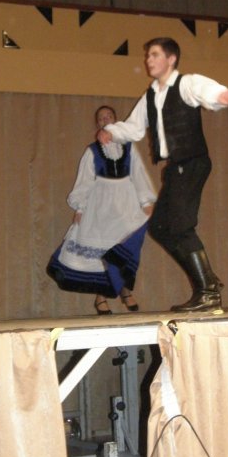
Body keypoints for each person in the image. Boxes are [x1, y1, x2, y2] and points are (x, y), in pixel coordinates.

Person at [97, 37, 228, 312]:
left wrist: (219, 95)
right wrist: (111, 132)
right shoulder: (150, 95)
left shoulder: (185, 83)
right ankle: (207, 279)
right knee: (159, 227)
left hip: (193, 162)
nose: (148, 60)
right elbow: (134, 128)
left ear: (171, 59)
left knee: (182, 226)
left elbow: (203, 89)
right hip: (175, 167)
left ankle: (208, 292)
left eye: (155, 55)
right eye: (148, 55)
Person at [47, 105, 156, 314]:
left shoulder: (129, 148)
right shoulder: (92, 151)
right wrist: (80, 208)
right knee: (103, 253)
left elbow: (139, 174)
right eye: (101, 118)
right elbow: (85, 181)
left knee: (122, 251)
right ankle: (102, 297)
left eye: (109, 116)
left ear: (116, 120)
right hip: (101, 207)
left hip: (125, 205)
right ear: (97, 124)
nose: (105, 120)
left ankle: (124, 290)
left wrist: (146, 202)